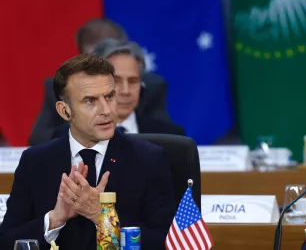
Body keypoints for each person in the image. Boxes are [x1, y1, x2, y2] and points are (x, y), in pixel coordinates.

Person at [0, 54, 176, 250]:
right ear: (65, 111)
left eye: (109, 96)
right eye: (90, 101)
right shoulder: (35, 162)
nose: (106, 110)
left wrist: (102, 216)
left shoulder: (149, 160)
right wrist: (55, 218)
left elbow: (167, 242)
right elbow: (7, 240)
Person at [29, 18, 170, 146]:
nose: (126, 90)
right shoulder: (62, 87)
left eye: (133, 81)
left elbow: (166, 136)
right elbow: (39, 140)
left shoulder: (152, 87)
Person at [53, 38, 185, 137]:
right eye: (116, 81)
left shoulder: (170, 136)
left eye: (133, 81)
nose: (126, 91)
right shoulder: (67, 135)